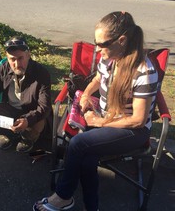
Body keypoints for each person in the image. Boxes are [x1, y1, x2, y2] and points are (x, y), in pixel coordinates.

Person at [33, 11, 158, 211]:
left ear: (122, 40)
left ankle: (64, 195)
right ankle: (92, 207)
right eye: (95, 43)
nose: (98, 50)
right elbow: (98, 79)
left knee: (78, 143)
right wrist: (85, 95)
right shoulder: (109, 58)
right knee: (87, 158)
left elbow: (138, 120)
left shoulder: (144, 71)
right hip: (106, 118)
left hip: (132, 130)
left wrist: (99, 122)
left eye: (102, 44)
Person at [0, 36, 52, 153]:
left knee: (39, 122)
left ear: (28, 55)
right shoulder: (4, 68)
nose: (17, 64)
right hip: (12, 110)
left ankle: (27, 138)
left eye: (20, 58)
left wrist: (27, 120)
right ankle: (12, 135)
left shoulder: (42, 73)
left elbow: (44, 107)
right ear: (7, 58)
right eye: (12, 59)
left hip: (32, 113)